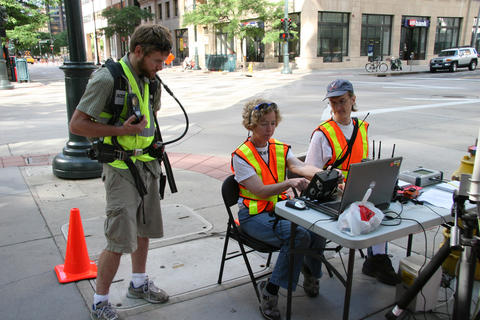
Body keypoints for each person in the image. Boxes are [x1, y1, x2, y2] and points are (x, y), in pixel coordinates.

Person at [69, 24, 172, 320]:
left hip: (148, 164)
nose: (159, 68)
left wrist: (152, 145)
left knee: (144, 228)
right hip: (119, 168)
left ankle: (138, 283)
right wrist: (118, 130)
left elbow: (149, 118)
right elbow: (77, 124)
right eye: (156, 61)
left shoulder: (150, 80)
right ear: (138, 51)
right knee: (118, 237)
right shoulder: (107, 78)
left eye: (162, 62)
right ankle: (100, 301)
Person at [232, 98, 331, 320]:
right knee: (298, 236)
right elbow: (259, 191)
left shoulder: (279, 148)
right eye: (264, 124)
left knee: (317, 227)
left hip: (279, 211)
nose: (269, 129)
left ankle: (312, 274)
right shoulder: (241, 156)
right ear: (251, 125)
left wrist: (328, 176)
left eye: (273, 123)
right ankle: (270, 292)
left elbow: (300, 166)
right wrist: (289, 183)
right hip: (253, 216)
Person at [305, 79, 400, 286]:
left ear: (353, 100)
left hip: (359, 192)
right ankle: (312, 274)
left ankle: (377, 259)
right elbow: (309, 173)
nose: (338, 107)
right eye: (333, 103)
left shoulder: (362, 128)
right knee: (370, 209)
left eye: (342, 101)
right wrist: (333, 181)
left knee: (383, 209)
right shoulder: (322, 134)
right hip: (332, 196)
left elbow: (364, 164)